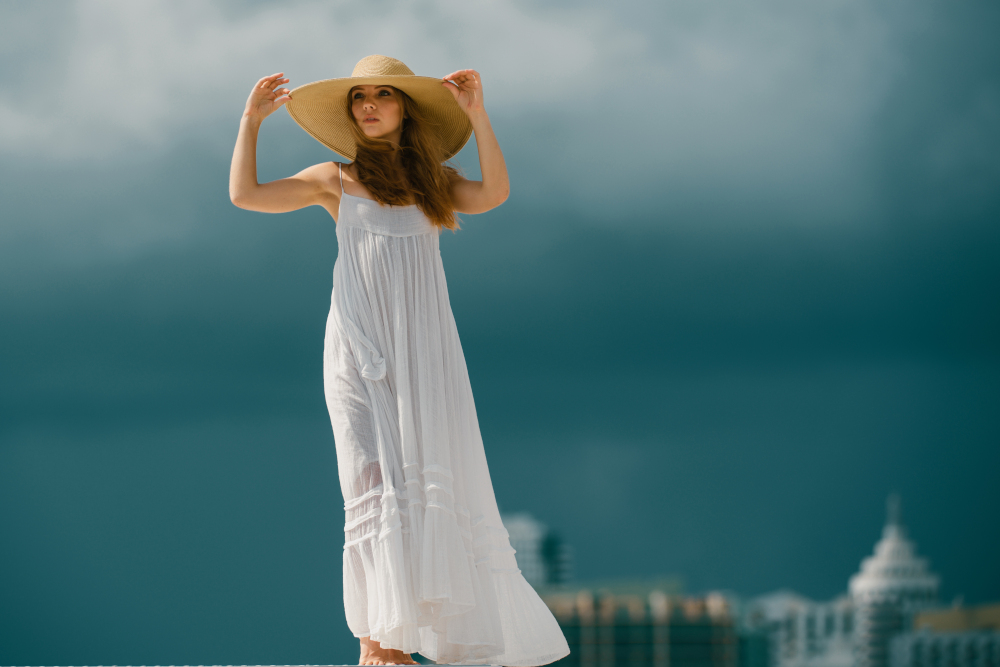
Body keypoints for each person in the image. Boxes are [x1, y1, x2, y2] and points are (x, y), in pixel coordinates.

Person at [228, 55, 570, 667]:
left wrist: (477, 113)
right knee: (368, 481)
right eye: (359, 96)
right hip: (358, 351)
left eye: (383, 94)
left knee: (426, 478)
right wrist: (250, 122)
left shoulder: (434, 183)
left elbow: (493, 192)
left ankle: (411, 638)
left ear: (404, 108)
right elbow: (245, 196)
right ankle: (378, 643)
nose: (369, 104)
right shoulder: (333, 180)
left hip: (424, 352)